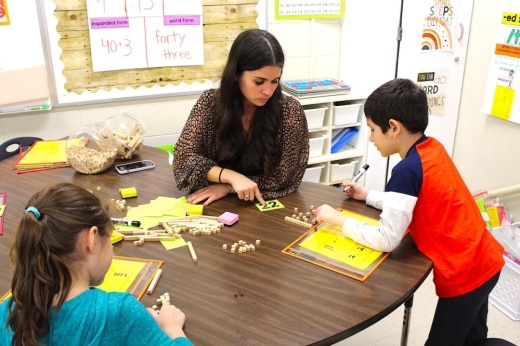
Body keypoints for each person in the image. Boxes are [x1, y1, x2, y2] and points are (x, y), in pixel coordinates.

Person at [314, 78, 505, 345]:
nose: (370, 139)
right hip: (485, 260)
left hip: (466, 272)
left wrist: (337, 218)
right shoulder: (431, 149)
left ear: (393, 127)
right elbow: (415, 200)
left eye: (371, 130)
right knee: (473, 340)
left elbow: (386, 239)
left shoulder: (406, 170)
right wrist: (368, 195)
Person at [0, 183, 193, 346]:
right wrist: (173, 329)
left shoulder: (6, 312)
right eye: (109, 237)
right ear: (91, 239)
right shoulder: (119, 312)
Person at [173, 29, 309, 206]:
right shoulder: (210, 103)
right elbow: (183, 160)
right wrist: (230, 177)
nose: (268, 91)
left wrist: (228, 187)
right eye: (259, 82)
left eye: (275, 81)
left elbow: (287, 176)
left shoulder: (290, 111)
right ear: (236, 74)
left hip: (263, 203)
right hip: (215, 205)